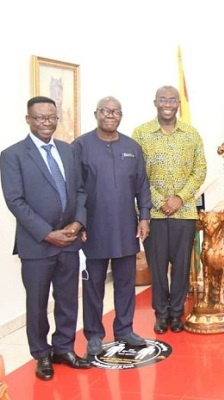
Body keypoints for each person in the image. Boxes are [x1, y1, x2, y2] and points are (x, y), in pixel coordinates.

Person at [0, 96, 91, 380]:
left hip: (69, 240)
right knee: (37, 303)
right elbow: (15, 201)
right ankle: (41, 354)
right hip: (37, 244)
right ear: (28, 119)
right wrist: (47, 233)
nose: (46, 123)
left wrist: (77, 223)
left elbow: (79, 190)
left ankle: (64, 348)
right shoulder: (12, 155)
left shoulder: (68, 151)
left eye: (51, 117)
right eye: (40, 118)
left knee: (67, 300)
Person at [72, 96, 152, 355]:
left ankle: (125, 329)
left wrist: (144, 217)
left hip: (125, 227)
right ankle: (94, 334)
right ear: (96, 113)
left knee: (125, 283)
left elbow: (142, 185)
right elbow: (75, 188)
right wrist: (79, 223)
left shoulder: (132, 147)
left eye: (116, 112)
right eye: (105, 111)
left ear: (121, 116)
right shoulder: (81, 146)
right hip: (92, 230)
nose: (110, 115)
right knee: (93, 285)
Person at [132, 86, 206, 334]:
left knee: (182, 267)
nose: (167, 104)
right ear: (155, 102)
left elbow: (200, 170)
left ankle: (177, 314)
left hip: (184, 213)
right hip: (153, 214)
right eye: (163, 99)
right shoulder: (141, 134)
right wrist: (160, 200)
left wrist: (179, 198)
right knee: (158, 267)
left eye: (172, 100)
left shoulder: (191, 134)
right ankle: (161, 314)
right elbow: (137, 174)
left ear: (178, 104)